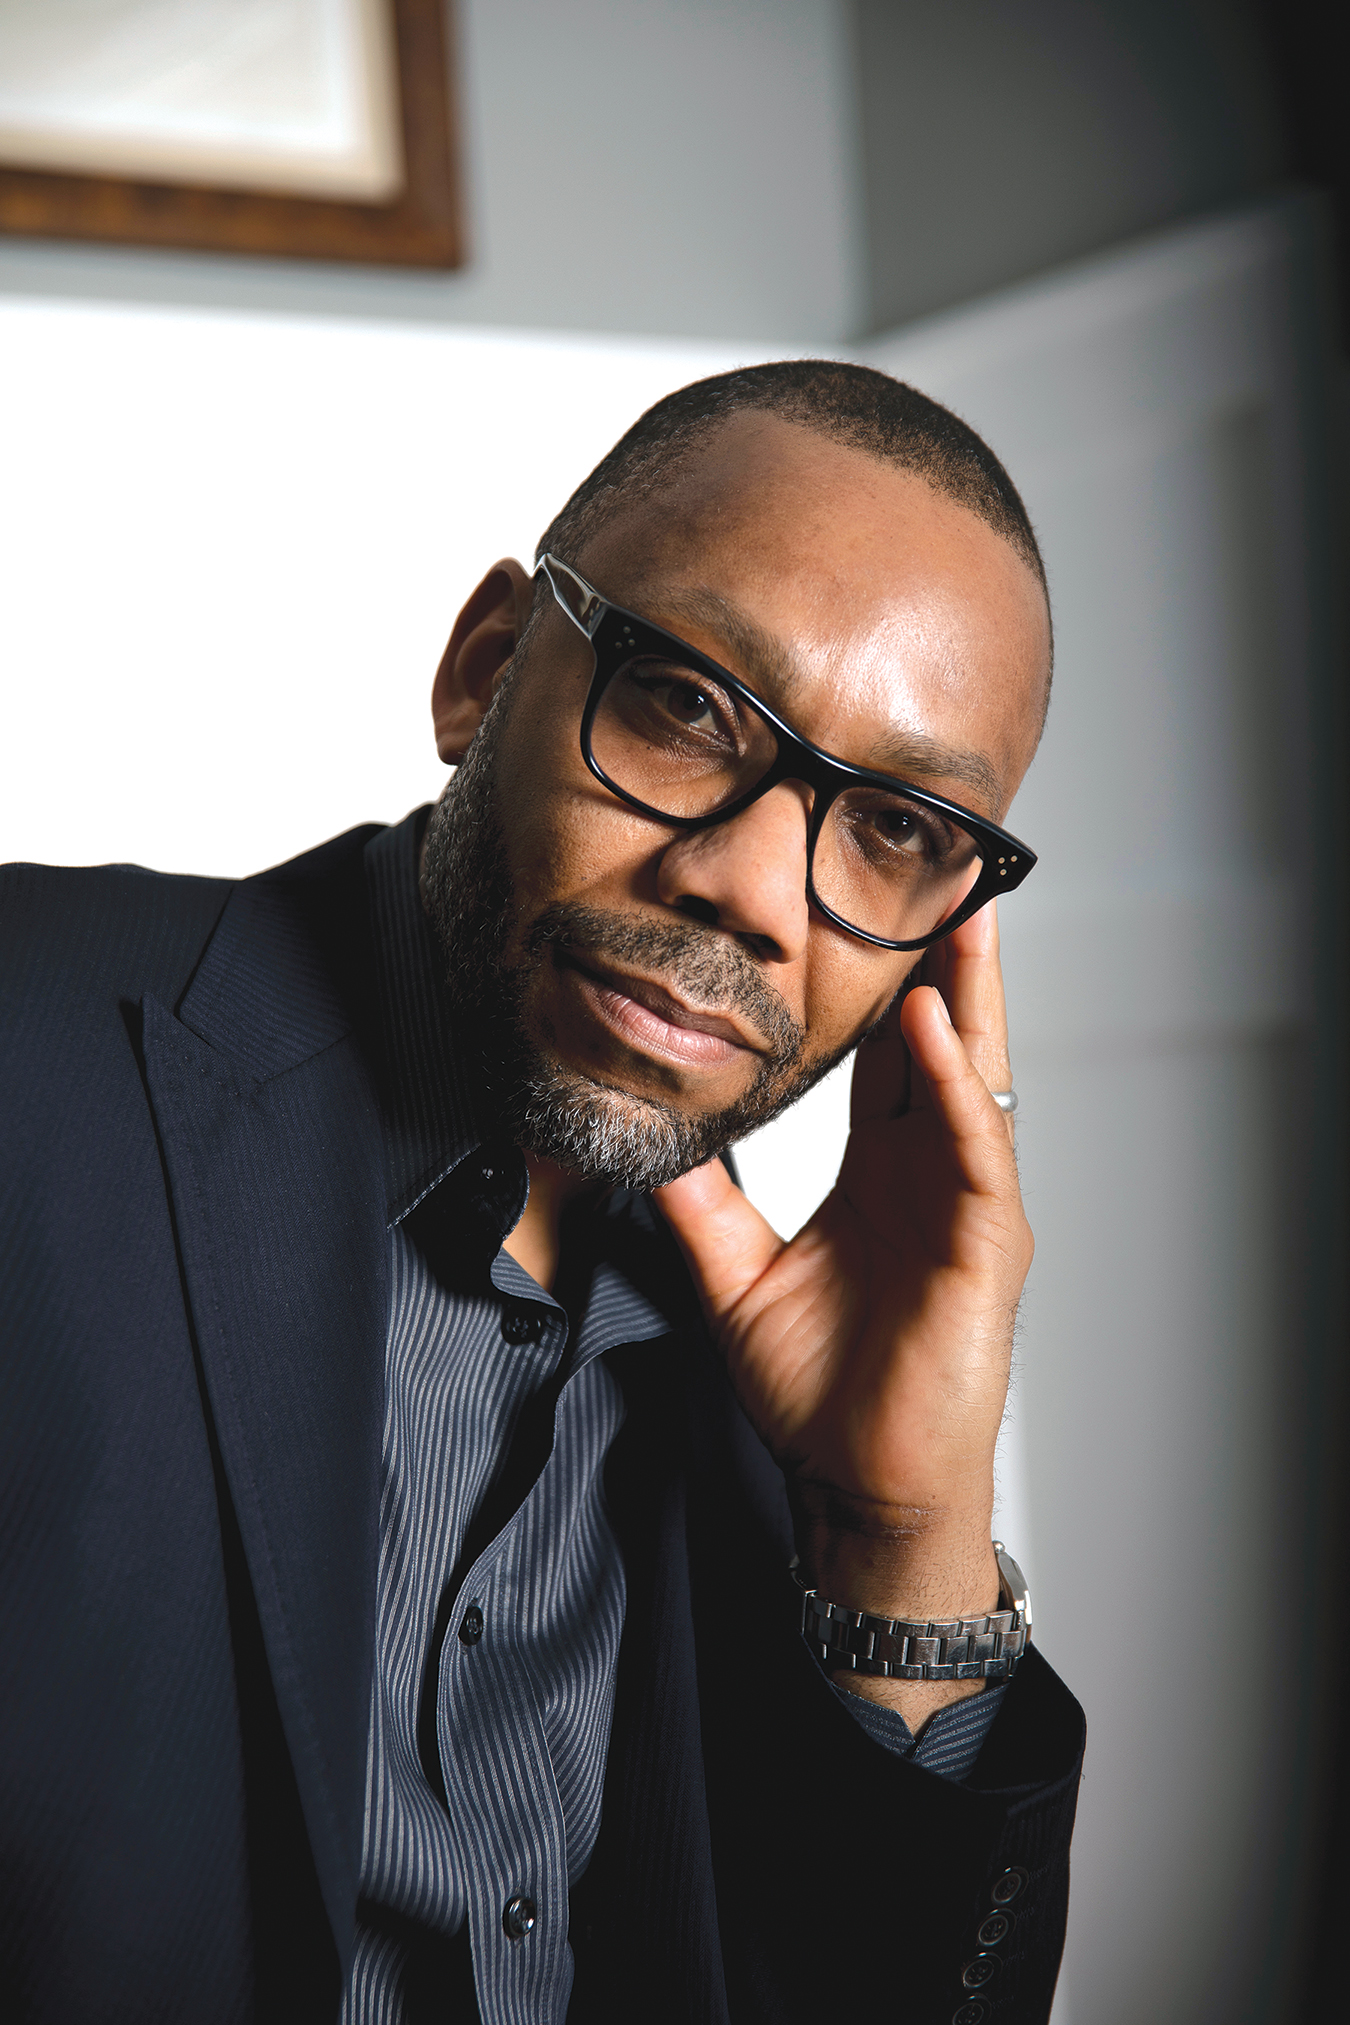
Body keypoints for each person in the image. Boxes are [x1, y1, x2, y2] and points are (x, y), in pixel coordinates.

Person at [0, 361, 1084, 2025]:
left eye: (892, 826)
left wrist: (899, 1536)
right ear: (485, 672)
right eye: (685, 704)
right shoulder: (33, 1047)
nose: (745, 886)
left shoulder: (803, 1394)